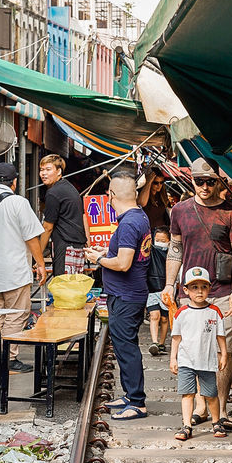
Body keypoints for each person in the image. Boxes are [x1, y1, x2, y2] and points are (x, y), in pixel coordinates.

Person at [163, 157, 232, 428]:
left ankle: (220, 409)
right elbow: (175, 249)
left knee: (224, 349)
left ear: (218, 182)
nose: (205, 186)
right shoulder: (179, 211)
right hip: (190, 293)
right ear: (192, 180)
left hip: (222, 291)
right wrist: (169, 284)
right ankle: (201, 404)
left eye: (210, 181)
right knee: (193, 348)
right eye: (199, 181)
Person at [85, 172, 152, 421]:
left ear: (111, 195)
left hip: (126, 295)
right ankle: (130, 395)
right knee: (125, 346)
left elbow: (123, 263)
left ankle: (137, 402)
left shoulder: (128, 223)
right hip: (129, 293)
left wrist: (98, 259)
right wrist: (108, 250)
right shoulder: (138, 217)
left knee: (127, 347)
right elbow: (127, 253)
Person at [0, 162, 47, 373]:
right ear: (15, 182)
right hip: (14, 271)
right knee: (15, 314)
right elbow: (32, 237)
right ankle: (8, 358)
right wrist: (40, 264)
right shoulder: (19, 203)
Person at [169, 266, 228, 440]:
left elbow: (220, 336)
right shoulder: (182, 313)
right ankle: (187, 425)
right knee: (187, 393)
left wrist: (223, 354)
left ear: (209, 288)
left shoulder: (214, 312)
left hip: (207, 361)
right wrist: (173, 358)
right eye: (194, 287)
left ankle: (216, 422)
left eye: (203, 287)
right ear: (186, 290)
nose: (199, 291)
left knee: (210, 394)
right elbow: (176, 338)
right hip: (187, 360)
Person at [39, 154, 89, 275]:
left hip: (65, 247)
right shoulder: (69, 188)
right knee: (74, 288)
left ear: (59, 171)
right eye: (41, 170)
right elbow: (83, 216)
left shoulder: (53, 193)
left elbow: (47, 227)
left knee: (63, 288)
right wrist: (88, 243)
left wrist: (39, 256)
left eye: (48, 169)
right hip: (77, 246)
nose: (43, 173)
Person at [147, 226, 170, 356]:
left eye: (163, 240)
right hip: (151, 288)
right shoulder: (151, 250)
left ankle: (161, 344)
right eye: (157, 240)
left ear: (169, 241)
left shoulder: (172, 253)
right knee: (154, 315)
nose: (160, 243)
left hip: (166, 288)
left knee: (164, 318)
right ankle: (154, 343)